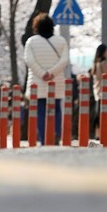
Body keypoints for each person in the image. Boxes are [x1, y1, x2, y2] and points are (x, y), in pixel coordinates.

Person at [23, 11, 70, 141]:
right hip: (56, 81)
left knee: (41, 112)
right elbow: (64, 60)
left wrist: (43, 74)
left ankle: (44, 138)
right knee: (56, 110)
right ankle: (57, 134)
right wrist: (52, 73)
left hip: (38, 83)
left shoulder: (31, 42)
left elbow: (29, 60)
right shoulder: (61, 41)